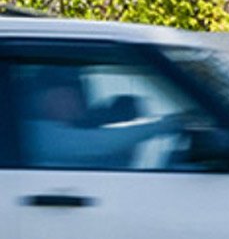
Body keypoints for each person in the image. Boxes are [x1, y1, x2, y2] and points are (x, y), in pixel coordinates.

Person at [20, 67, 183, 171]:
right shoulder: (35, 133)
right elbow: (98, 143)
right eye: (65, 96)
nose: (77, 101)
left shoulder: (71, 133)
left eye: (78, 93)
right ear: (42, 101)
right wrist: (169, 124)